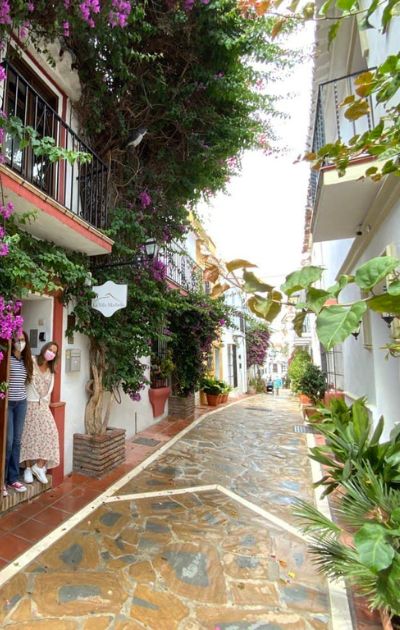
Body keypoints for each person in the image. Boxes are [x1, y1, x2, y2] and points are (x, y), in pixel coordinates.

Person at [20, 341, 60, 485]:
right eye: (50, 349)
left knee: (51, 434)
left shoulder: (51, 369)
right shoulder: (31, 360)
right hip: (29, 405)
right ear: (44, 349)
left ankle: (39, 466)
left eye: (54, 352)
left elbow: (48, 391)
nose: (51, 353)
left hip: (43, 407)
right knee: (28, 437)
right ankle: (28, 469)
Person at [4, 331, 33, 497]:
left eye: (22, 340)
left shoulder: (26, 360)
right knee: (7, 443)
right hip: (8, 405)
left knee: (17, 442)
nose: (19, 342)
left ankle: (13, 478)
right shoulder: (6, 359)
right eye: (16, 339)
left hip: (21, 403)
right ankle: (3, 480)